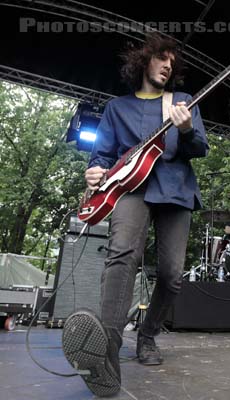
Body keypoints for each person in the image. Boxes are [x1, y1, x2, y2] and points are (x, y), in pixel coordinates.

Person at [61, 34, 209, 397]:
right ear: (144, 60)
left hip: (175, 190)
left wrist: (187, 128)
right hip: (130, 189)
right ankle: (106, 356)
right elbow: (102, 154)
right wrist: (95, 170)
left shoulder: (183, 102)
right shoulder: (116, 108)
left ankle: (147, 336)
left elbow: (200, 147)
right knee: (121, 256)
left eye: (172, 62)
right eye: (161, 58)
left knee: (173, 275)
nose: (167, 65)